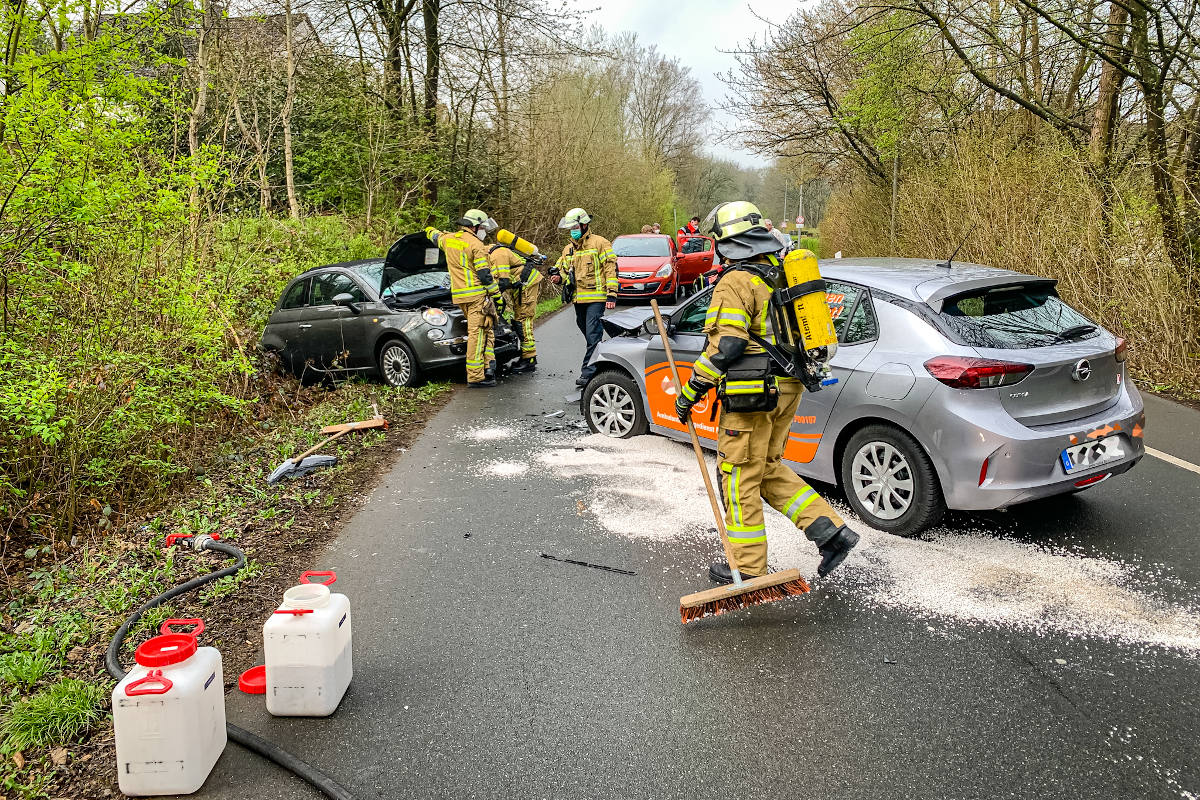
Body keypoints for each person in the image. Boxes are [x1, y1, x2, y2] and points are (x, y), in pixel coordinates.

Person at [673, 200, 858, 584]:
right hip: (789, 387)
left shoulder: (736, 282)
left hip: (752, 396)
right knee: (767, 467)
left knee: (738, 477)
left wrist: (691, 391)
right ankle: (832, 533)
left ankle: (746, 568)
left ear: (728, 241)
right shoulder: (781, 273)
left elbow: (727, 346)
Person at [425, 210, 502, 388]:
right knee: (477, 334)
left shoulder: (449, 239)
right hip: (477, 297)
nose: (483, 230)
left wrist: (428, 230)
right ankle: (476, 377)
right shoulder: (476, 245)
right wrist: (497, 297)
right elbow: (485, 276)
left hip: (461, 297)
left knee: (485, 329)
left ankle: (489, 367)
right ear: (474, 226)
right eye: (482, 227)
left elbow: (434, 235)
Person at [551, 207, 617, 387]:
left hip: (596, 298)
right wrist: (558, 278)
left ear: (584, 224)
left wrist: (611, 295)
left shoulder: (600, 243)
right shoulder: (568, 249)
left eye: (575, 226)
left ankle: (588, 372)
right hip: (578, 299)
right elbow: (564, 272)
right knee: (590, 335)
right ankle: (602, 359)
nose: (572, 230)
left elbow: (610, 270)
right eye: (570, 227)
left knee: (593, 333)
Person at [488, 240, 543, 373]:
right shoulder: (493, 253)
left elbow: (502, 281)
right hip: (522, 285)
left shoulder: (497, 255)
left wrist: (494, 298)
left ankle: (529, 359)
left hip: (527, 285)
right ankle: (526, 355)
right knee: (519, 319)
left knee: (523, 321)